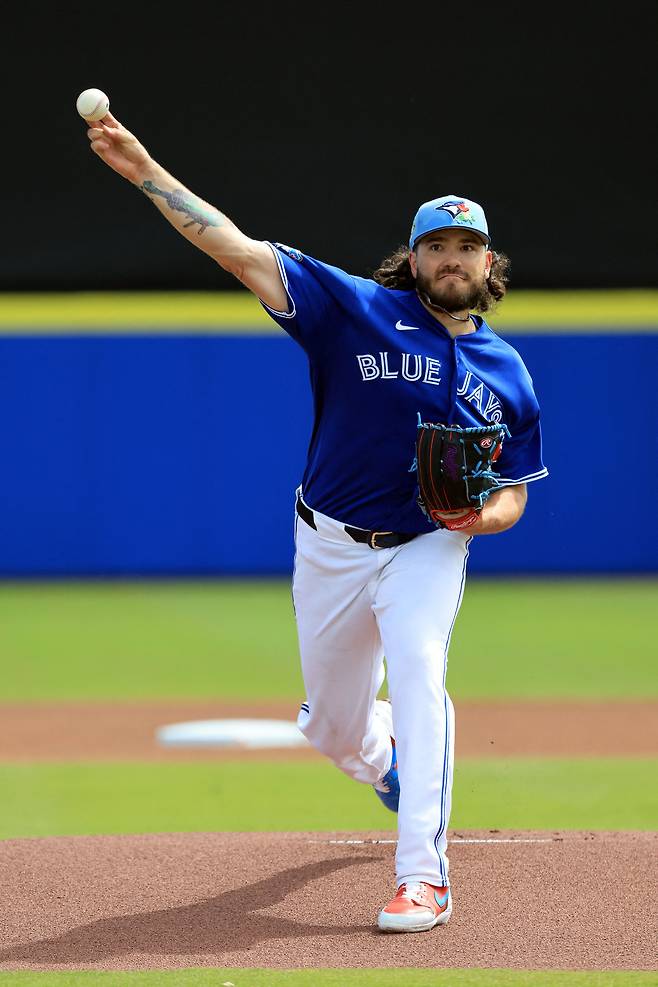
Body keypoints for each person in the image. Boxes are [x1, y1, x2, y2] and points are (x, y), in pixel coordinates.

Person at [84, 112, 548, 934]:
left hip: (432, 543)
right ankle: (386, 766)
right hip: (330, 541)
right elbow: (236, 247)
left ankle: (423, 876)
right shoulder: (355, 310)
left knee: (418, 667)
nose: (451, 258)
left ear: (488, 261)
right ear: (415, 259)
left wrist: (485, 516)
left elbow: (514, 488)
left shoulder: (507, 371)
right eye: (436, 245)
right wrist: (144, 170)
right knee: (334, 726)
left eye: (466, 246)